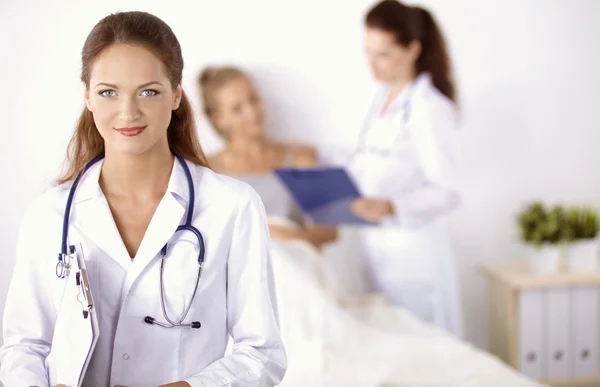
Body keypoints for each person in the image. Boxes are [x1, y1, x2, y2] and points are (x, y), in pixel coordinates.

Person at [0, 11, 286, 387]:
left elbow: (262, 353)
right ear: (87, 96)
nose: (128, 111)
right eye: (108, 92)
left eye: (148, 91)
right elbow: (24, 347)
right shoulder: (49, 214)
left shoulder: (232, 207)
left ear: (176, 94)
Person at [345, 0, 464, 338]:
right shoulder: (383, 99)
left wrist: (392, 206)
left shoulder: (429, 109)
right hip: (378, 249)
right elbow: (370, 160)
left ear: (413, 49)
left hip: (416, 257)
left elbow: (447, 191)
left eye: (382, 54)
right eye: (367, 52)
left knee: (426, 353)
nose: (372, 64)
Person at [198, 66, 338, 251]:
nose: (252, 112)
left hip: (295, 265)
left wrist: (293, 237)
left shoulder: (300, 157)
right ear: (219, 119)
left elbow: (330, 231)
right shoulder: (207, 169)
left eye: (253, 100)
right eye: (237, 108)